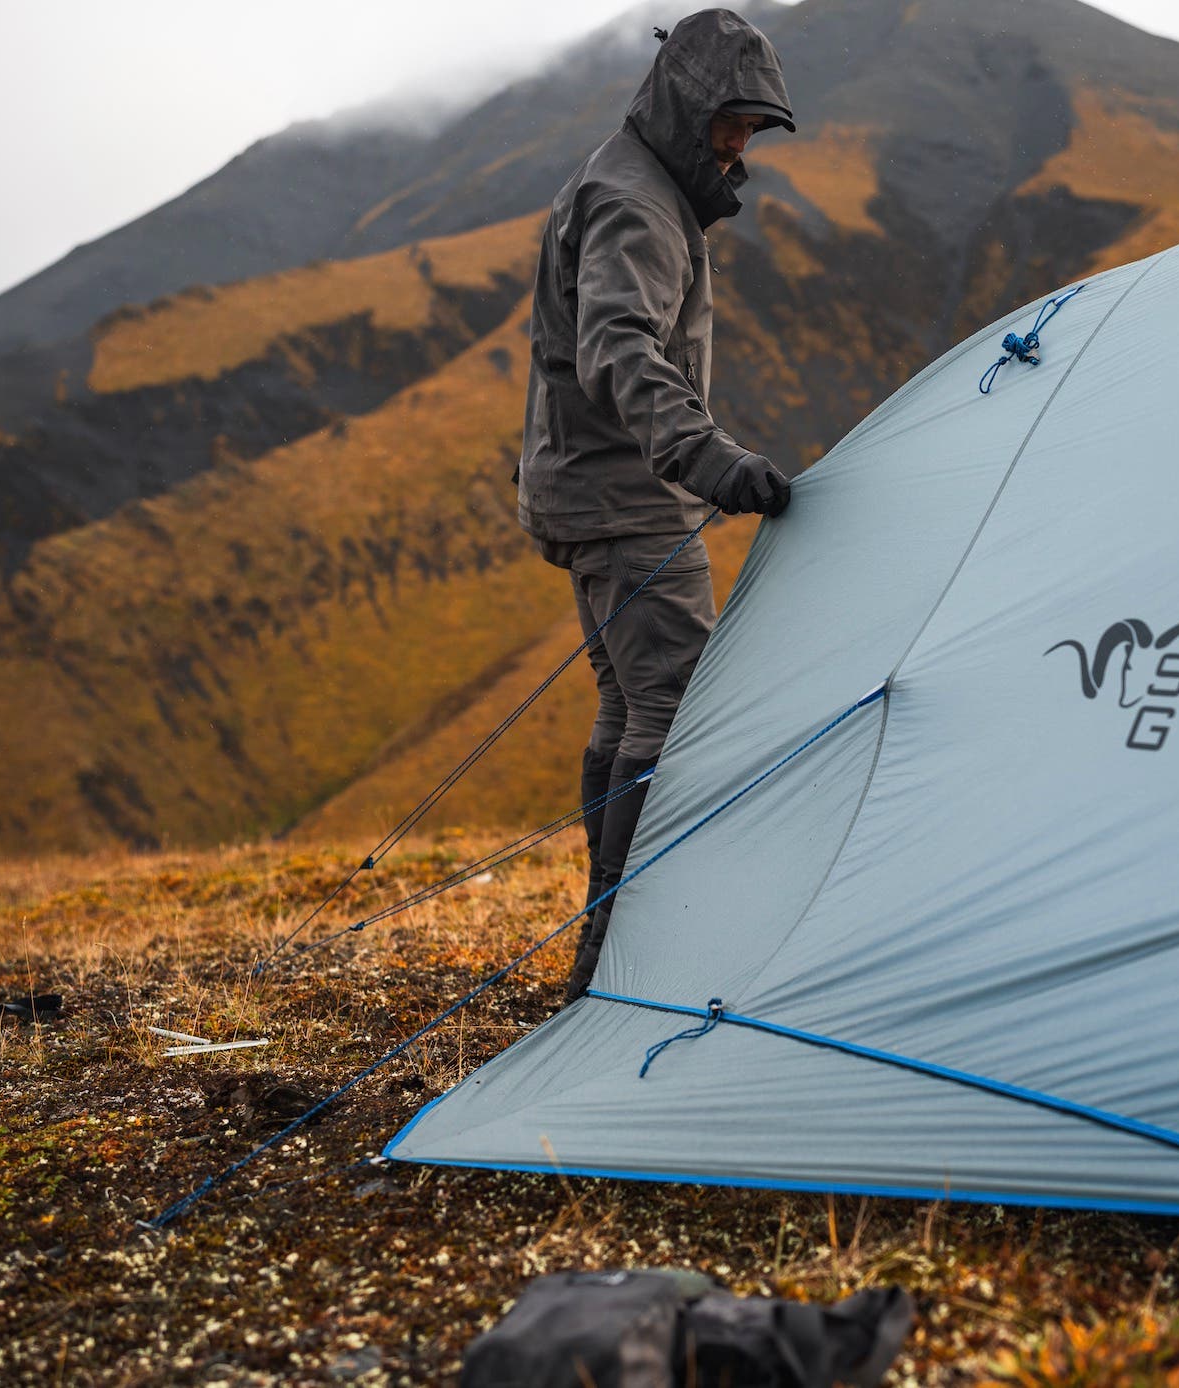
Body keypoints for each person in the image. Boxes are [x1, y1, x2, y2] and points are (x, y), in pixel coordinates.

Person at [515, 9, 796, 1003]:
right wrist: (703, 455)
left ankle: (609, 942)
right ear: (685, 105)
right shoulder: (637, 203)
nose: (742, 146)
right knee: (673, 709)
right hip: (628, 496)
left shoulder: (632, 178)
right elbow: (620, 347)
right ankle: (627, 962)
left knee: (632, 702)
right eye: (732, 123)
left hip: (588, 486)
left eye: (754, 130)